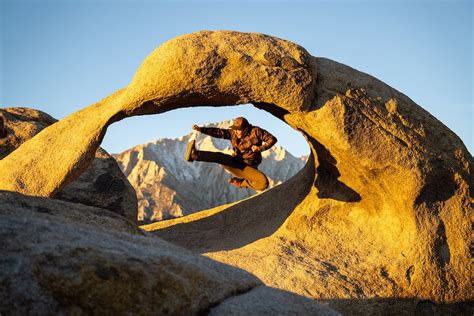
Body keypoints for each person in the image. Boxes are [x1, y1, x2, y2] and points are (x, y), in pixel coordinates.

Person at [185, 116, 277, 191]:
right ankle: (194, 155)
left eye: (238, 130)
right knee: (219, 157)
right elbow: (218, 132)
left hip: (247, 167)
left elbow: (272, 139)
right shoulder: (233, 133)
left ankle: (241, 182)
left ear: (245, 129)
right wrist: (201, 129)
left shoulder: (256, 131)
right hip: (235, 162)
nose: (236, 132)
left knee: (264, 183)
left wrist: (260, 148)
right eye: (235, 129)